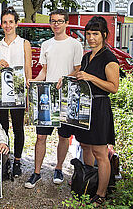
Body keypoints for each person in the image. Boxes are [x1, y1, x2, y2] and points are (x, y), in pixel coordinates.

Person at [25, 9, 83, 189]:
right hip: (46, 96)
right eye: (53, 21)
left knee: (63, 136)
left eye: (59, 21)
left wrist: (65, 78)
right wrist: (34, 81)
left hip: (66, 94)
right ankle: (36, 172)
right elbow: (44, 71)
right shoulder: (46, 44)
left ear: (66, 23)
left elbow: (78, 69)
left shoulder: (75, 44)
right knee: (41, 136)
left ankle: (58, 168)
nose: (56, 24)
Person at [75, 16, 119, 206]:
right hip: (85, 106)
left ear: (104, 35)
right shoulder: (87, 56)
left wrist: (91, 78)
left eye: (95, 34)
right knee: (85, 145)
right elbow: (82, 76)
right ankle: (90, 182)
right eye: (88, 34)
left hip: (100, 108)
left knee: (100, 153)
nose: (91, 37)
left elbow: (113, 87)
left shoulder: (109, 58)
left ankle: (101, 194)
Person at [0, 6, 32, 177]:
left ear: (17, 24)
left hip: (17, 89)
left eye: (11, 22)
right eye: (4, 22)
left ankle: (17, 160)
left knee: (18, 128)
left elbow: (28, 69)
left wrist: (28, 94)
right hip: (1, 90)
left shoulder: (24, 43)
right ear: (1, 25)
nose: (7, 25)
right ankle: (5, 160)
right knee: (2, 128)